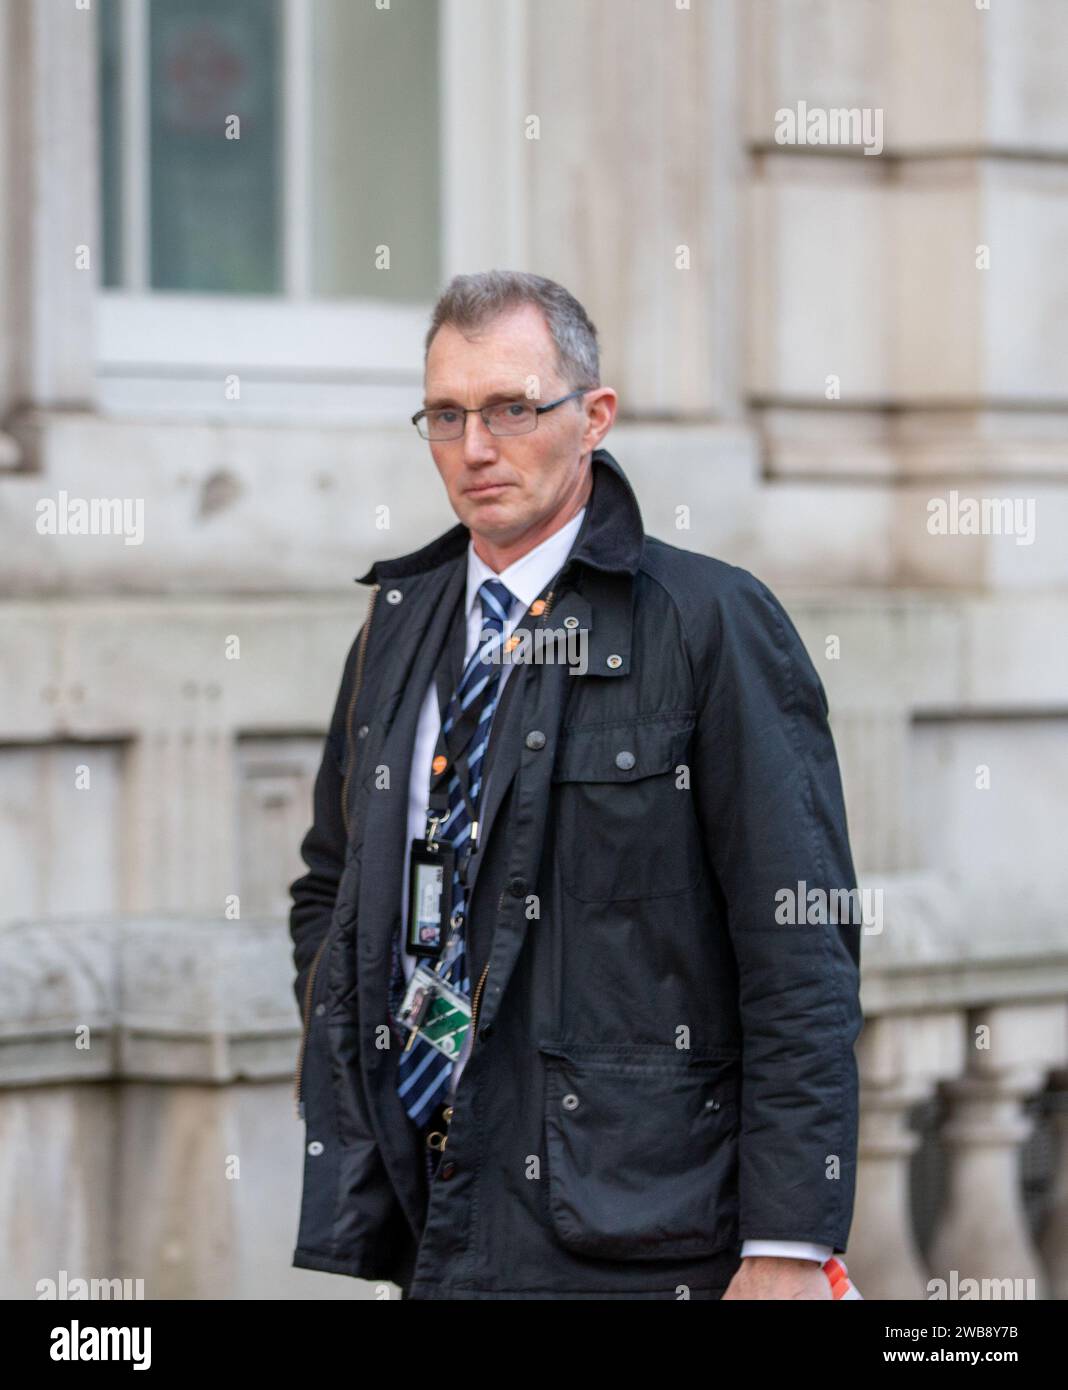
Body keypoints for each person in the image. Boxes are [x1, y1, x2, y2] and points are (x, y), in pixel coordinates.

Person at [289, 270, 863, 1300]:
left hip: (645, 1235)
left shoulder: (710, 624)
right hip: (435, 1212)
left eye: (513, 408)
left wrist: (787, 1241)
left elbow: (802, 953)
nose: (475, 447)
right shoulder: (396, 622)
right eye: (448, 415)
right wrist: (368, 1060)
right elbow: (330, 890)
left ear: (593, 415)